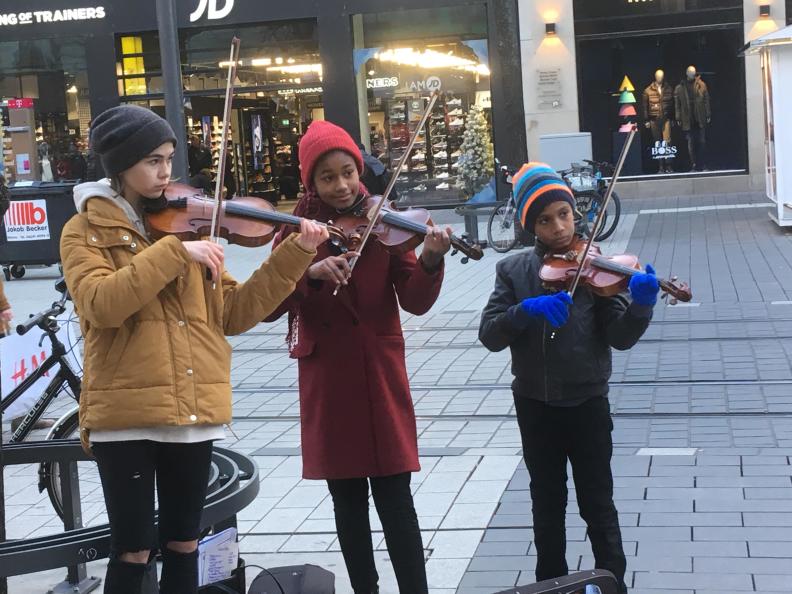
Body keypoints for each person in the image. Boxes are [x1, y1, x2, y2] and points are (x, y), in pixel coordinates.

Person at [59, 104, 328, 594]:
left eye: (168, 159)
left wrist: (295, 254)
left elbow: (236, 312)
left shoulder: (189, 226)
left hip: (192, 410)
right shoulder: (85, 230)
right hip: (125, 416)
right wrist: (173, 254)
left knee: (185, 542)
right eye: (152, 161)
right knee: (133, 549)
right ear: (120, 166)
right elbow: (100, 304)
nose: (165, 172)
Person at [265, 120, 452, 594]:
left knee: (396, 497)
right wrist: (309, 276)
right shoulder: (295, 233)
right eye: (328, 177)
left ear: (359, 169)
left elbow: (414, 299)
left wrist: (430, 258)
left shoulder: (384, 220)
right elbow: (266, 306)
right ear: (311, 182)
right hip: (329, 375)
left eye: (348, 172)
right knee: (347, 501)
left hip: (378, 371)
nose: (342, 186)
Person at [478, 163, 660, 594]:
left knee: (598, 502)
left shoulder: (598, 267)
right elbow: (489, 334)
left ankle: (614, 583)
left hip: (588, 404)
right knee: (547, 504)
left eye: (564, 214)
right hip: (536, 406)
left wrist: (640, 307)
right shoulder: (515, 272)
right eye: (544, 219)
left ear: (574, 212)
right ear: (530, 226)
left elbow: (620, 338)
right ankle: (552, 586)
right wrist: (524, 312)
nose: (558, 227)